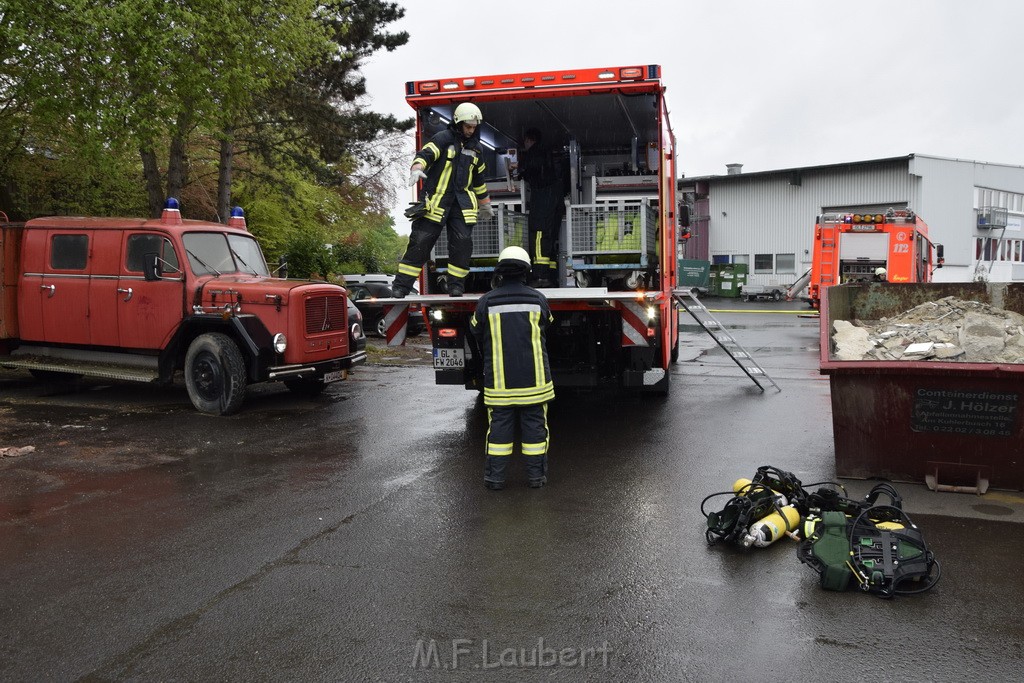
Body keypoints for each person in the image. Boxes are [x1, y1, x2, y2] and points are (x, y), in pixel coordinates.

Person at [469, 246, 555, 490]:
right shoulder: (538, 299)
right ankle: (536, 478)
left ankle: (495, 480)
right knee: (536, 431)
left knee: (498, 432)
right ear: (526, 270)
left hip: (499, 385)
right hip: (535, 383)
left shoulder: (486, 301)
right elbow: (548, 323)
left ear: (500, 271)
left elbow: (475, 328)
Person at [392, 102, 494, 298]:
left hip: (462, 205)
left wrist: (485, 203)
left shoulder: (477, 149)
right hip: (436, 203)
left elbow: (479, 180)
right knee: (420, 243)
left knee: (462, 245)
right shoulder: (442, 139)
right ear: (458, 123)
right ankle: (401, 286)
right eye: (468, 126)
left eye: (474, 127)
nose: (471, 130)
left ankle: (456, 286)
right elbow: (425, 155)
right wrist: (417, 168)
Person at [514, 128, 564, 287]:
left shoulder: (534, 153)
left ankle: (540, 276)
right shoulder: (548, 154)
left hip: (542, 202)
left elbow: (527, 169)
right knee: (550, 237)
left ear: (528, 140)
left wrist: (517, 167)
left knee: (539, 235)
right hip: (554, 200)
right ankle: (550, 276)